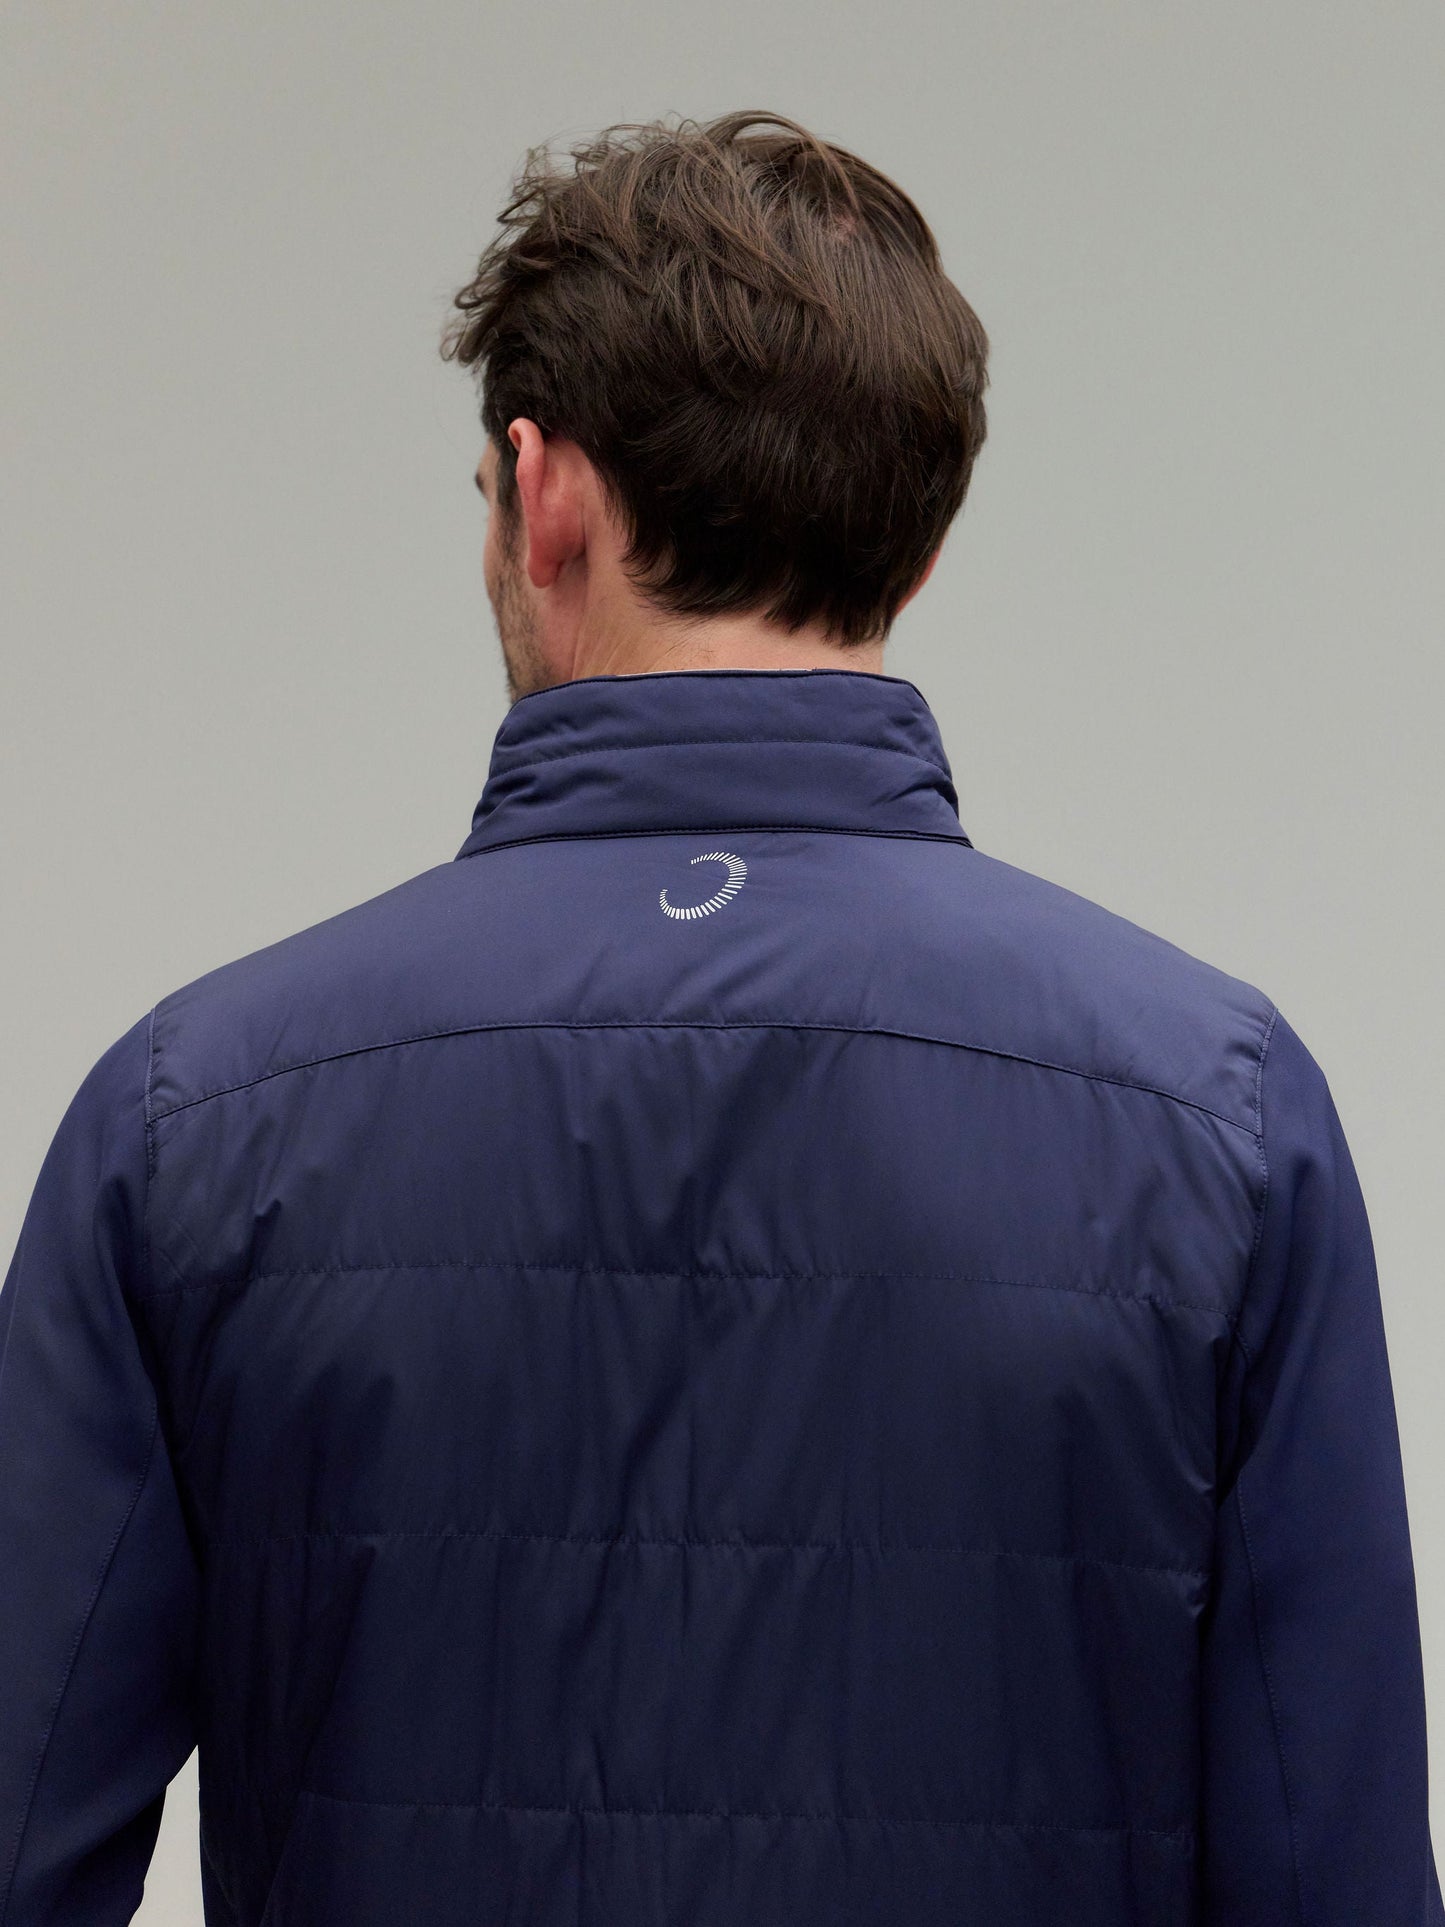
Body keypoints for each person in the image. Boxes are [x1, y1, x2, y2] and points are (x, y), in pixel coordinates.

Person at [0, 108, 1439, 1927]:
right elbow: (1334, 1879)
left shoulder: (189, 1119)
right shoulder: (1220, 1120)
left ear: (542, 497)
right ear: (918, 543)